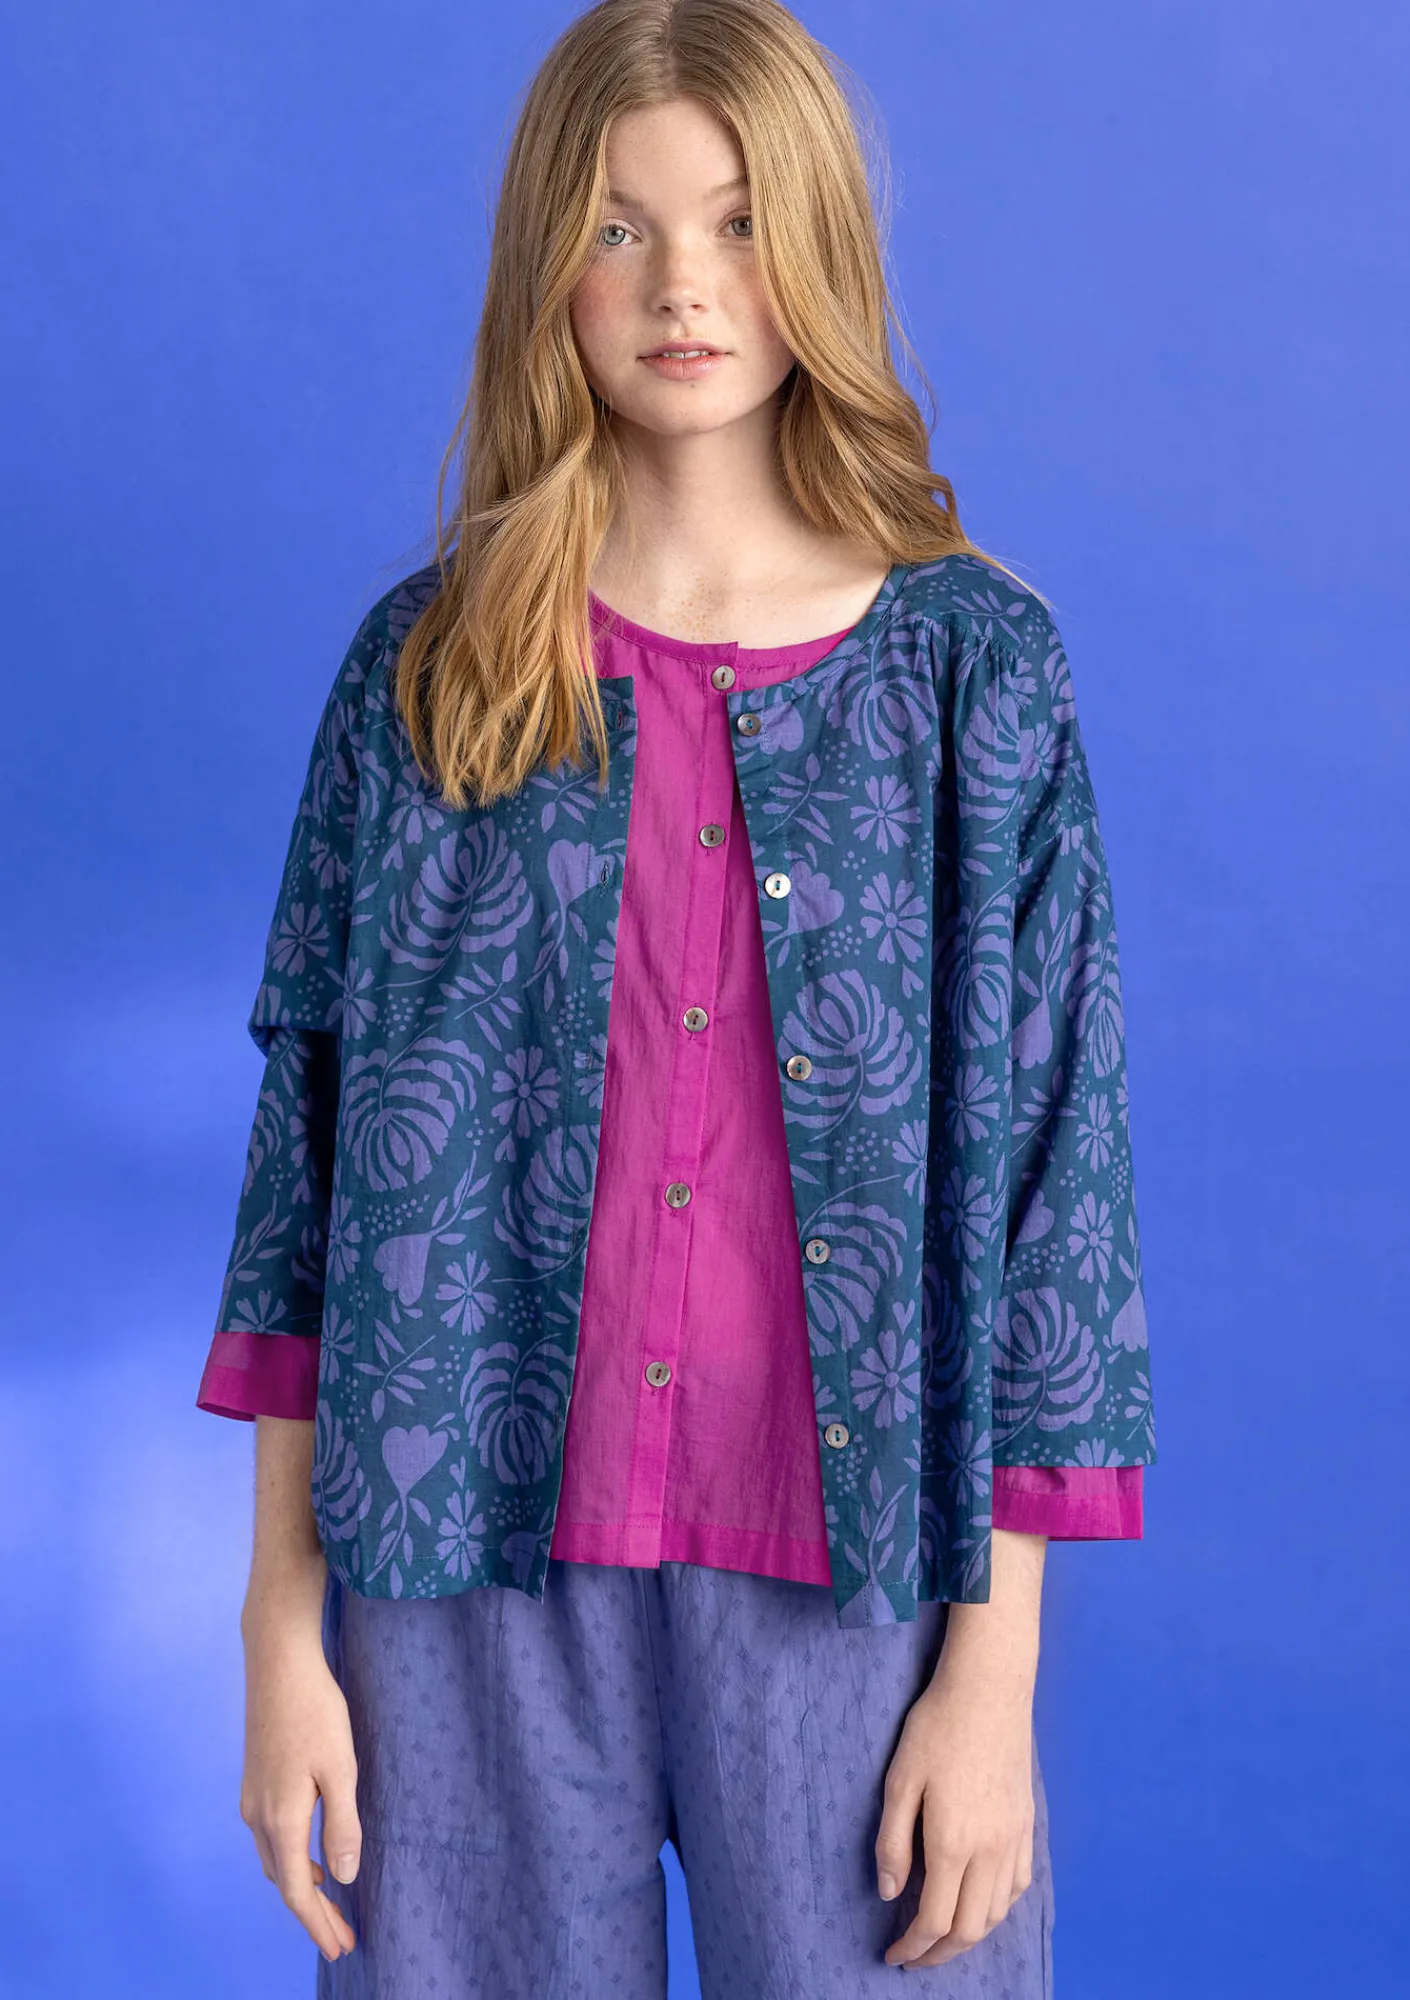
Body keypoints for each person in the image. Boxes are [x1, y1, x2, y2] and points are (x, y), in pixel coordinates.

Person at [196, 2, 1157, 1992]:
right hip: (459, 1566)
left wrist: (992, 1681)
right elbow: (308, 1168)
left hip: (855, 1570)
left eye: (734, 222)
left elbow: (1057, 1195)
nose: (681, 286)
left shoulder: (975, 675)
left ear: (818, 246)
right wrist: (281, 1629)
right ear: (548, 265)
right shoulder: (427, 671)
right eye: (619, 229)